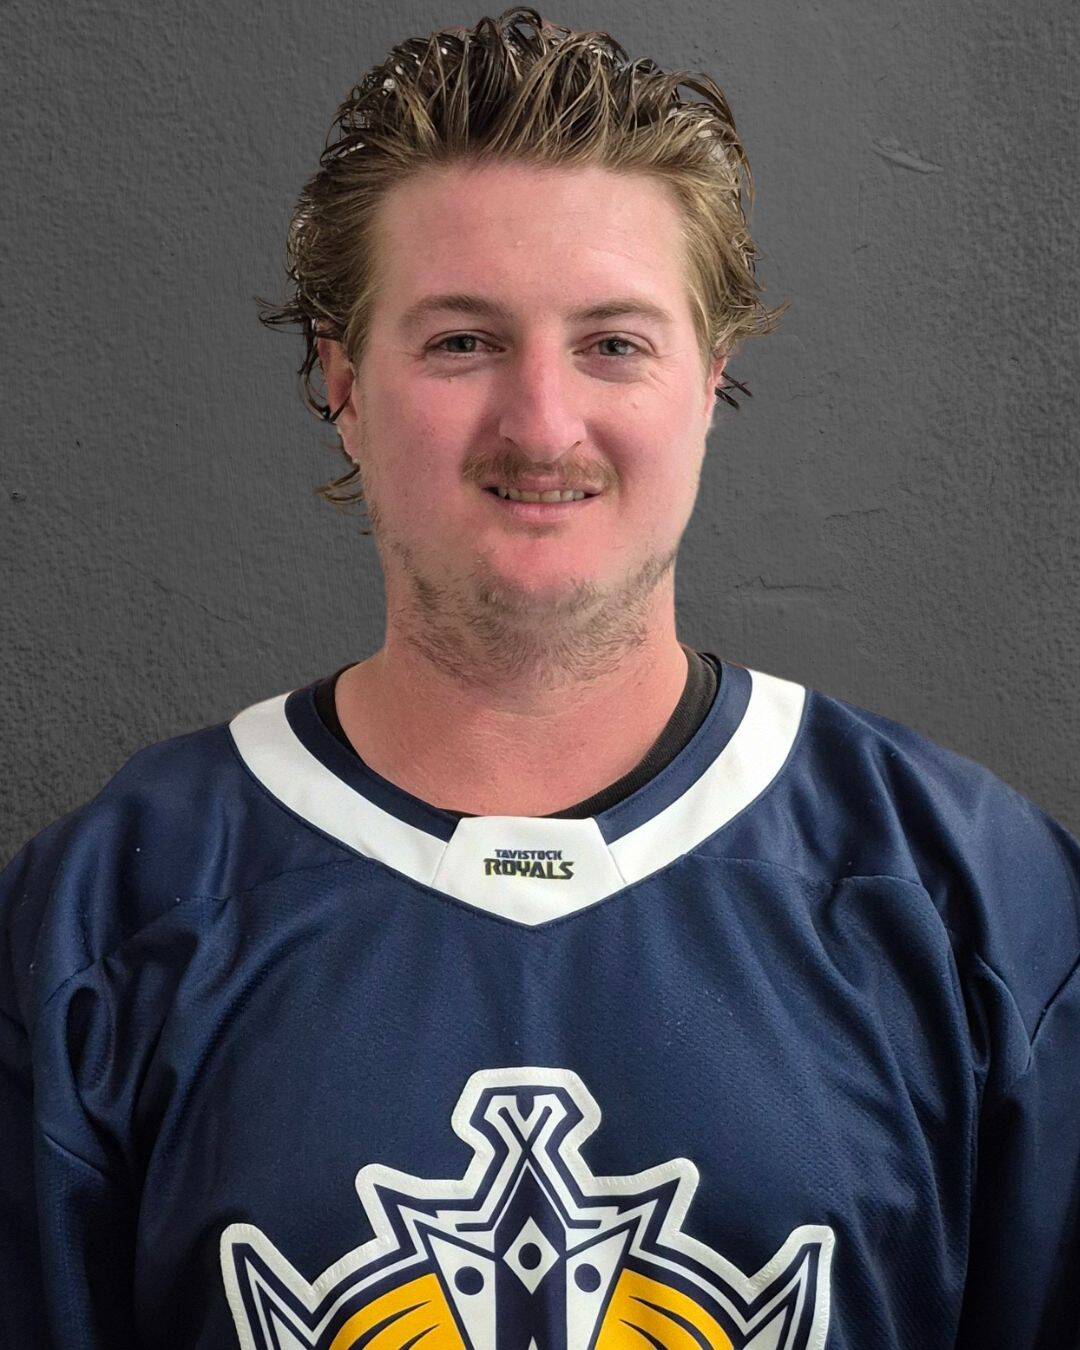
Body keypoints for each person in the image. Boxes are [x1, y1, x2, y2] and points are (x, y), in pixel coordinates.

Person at [1, 7, 1077, 1347]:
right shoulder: (102, 923)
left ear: (710, 380)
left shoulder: (985, 911)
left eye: (613, 343)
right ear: (342, 380)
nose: (543, 425)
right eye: (462, 341)